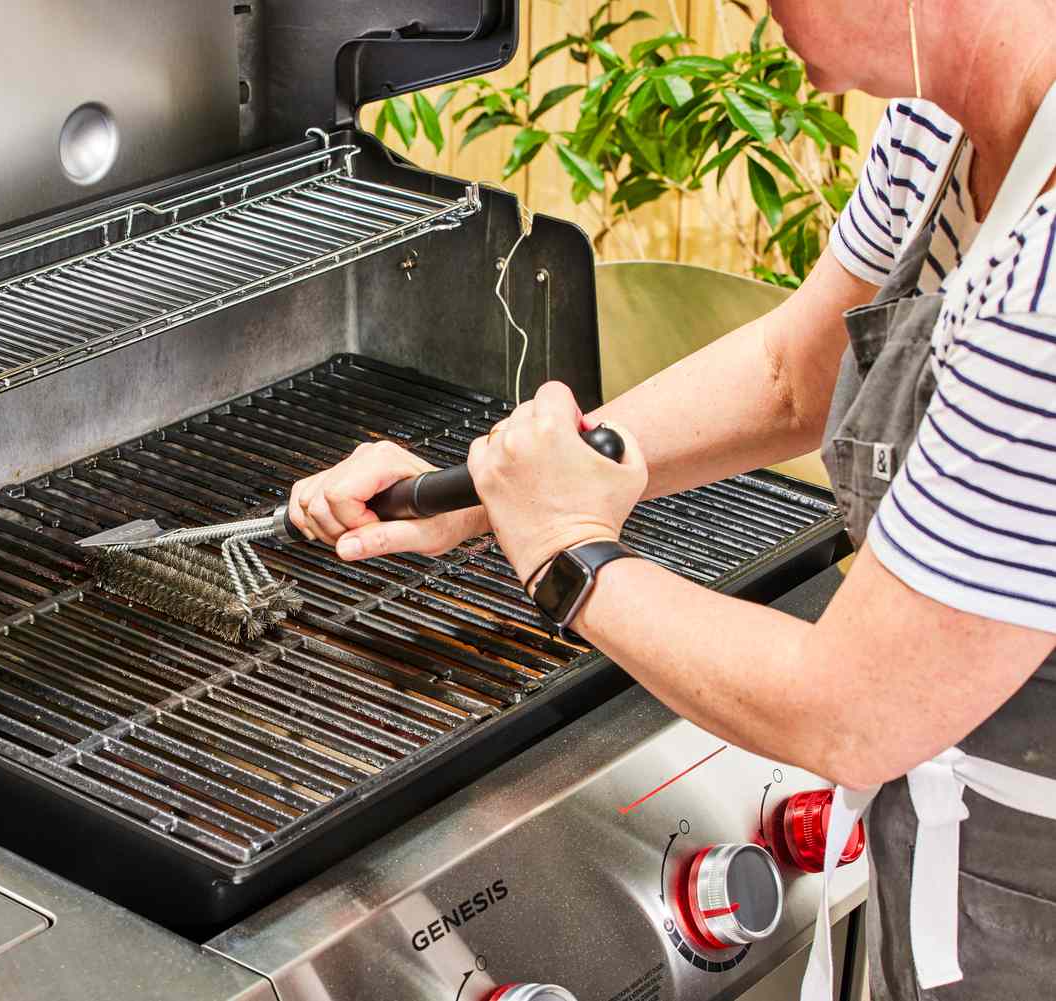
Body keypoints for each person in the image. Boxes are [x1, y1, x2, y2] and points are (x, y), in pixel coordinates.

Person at [289, 1, 1056, 998]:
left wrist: (571, 550)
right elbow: (795, 369)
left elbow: (858, 708)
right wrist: (493, 492)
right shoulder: (943, 119)